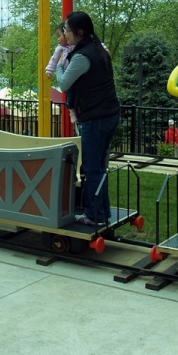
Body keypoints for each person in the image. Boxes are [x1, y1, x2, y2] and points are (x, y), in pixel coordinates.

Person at [55, 12, 120, 226]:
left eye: (67, 29)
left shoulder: (82, 57)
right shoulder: (98, 48)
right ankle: (103, 213)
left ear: (79, 32)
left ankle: (94, 216)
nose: (65, 33)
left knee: (92, 167)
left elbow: (64, 83)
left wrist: (56, 64)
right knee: (100, 166)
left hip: (95, 117)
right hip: (109, 114)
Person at [45, 23, 78, 124]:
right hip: (66, 72)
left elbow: (93, 43)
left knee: (76, 91)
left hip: (75, 72)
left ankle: (76, 109)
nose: (58, 39)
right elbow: (54, 59)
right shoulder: (60, 48)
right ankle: (72, 111)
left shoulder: (76, 45)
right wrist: (49, 70)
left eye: (59, 36)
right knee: (69, 92)